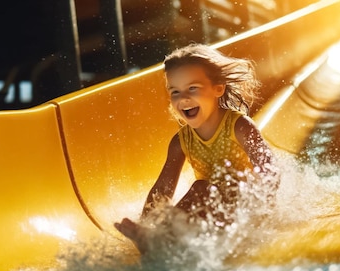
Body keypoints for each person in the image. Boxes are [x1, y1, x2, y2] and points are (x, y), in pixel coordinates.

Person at [115, 44, 278, 251]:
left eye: (193, 88)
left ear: (218, 88)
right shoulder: (180, 142)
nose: (183, 98)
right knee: (200, 192)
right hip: (211, 212)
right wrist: (147, 222)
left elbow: (268, 166)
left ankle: (163, 238)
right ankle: (154, 236)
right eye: (175, 91)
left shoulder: (239, 126)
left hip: (244, 207)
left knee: (201, 188)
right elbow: (163, 189)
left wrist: (262, 207)